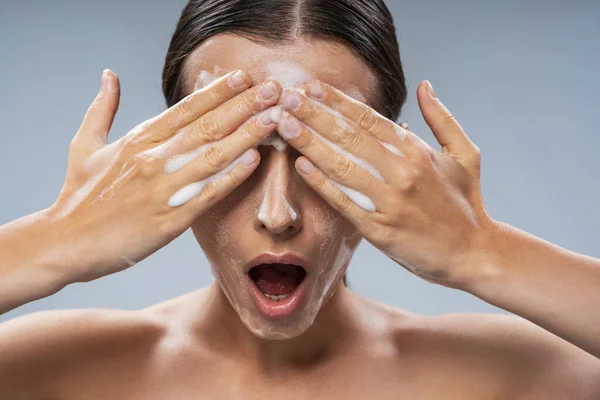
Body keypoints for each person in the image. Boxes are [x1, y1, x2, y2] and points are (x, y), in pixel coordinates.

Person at [1, 0, 599, 398]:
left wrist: (482, 250)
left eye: (325, 154)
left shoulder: (498, 380)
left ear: (398, 168)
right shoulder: (51, 372)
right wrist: (58, 239)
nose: (277, 215)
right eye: (239, 153)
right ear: (167, 159)